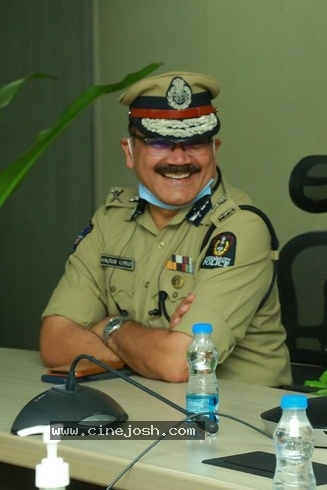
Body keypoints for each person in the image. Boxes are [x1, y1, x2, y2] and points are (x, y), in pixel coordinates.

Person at [39, 71, 292, 387]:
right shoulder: (110, 221)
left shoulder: (238, 229)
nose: (179, 159)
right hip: (143, 403)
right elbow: (54, 340)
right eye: (159, 142)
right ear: (129, 152)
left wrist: (110, 326)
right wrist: (148, 354)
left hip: (234, 417)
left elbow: (179, 363)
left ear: (215, 148)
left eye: (196, 143)